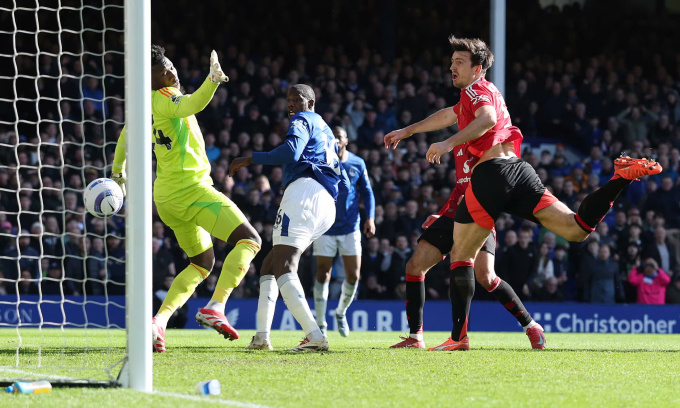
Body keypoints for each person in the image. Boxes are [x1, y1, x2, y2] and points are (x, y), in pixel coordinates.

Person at [386, 36, 661, 350]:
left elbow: (487, 119)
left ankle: (458, 339)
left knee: (462, 257)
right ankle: (620, 178)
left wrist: (448, 144)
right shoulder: (474, 96)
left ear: (477, 69)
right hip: (519, 171)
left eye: (459, 62)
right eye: (451, 62)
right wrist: (407, 131)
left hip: (489, 177)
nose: (452, 67)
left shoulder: (475, 91)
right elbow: (448, 115)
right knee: (575, 229)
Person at [111, 45, 261, 353]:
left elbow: (124, 140)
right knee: (250, 241)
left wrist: (118, 175)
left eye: (171, 67)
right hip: (191, 190)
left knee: (202, 262)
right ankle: (216, 306)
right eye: (164, 70)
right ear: (151, 78)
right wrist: (213, 80)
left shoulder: (141, 107)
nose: (171, 72)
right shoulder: (165, 98)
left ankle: (159, 323)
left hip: (166, 198)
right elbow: (192, 103)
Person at [385, 139, 542, 350]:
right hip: (453, 215)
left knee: (486, 277)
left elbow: (502, 185)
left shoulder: (492, 145)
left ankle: (531, 326)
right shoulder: (459, 145)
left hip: (479, 215)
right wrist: (441, 214)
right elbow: (460, 186)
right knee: (414, 266)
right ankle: (415, 337)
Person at [229, 84, 348, 352]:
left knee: (284, 264)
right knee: (270, 265)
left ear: (311, 102)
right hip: (326, 202)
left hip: (305, 192)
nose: (291, 105)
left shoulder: (303, 119)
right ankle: (261, 337)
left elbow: (292, 151)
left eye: (297, 99)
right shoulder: (326, 129)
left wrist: (250, 158)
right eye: (288, 100)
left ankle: (315, 336)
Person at [311, 125, 375, 336]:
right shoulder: (321, 161)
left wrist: (370, 217)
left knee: (354, 276)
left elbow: (367, 192)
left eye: (340, 137)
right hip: (325, 226)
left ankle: (340, 312)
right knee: (323, 274)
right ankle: (320, 323)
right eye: (333, 138)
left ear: (346, 140)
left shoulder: (357, 163)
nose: (337, 141)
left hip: (350, 227)